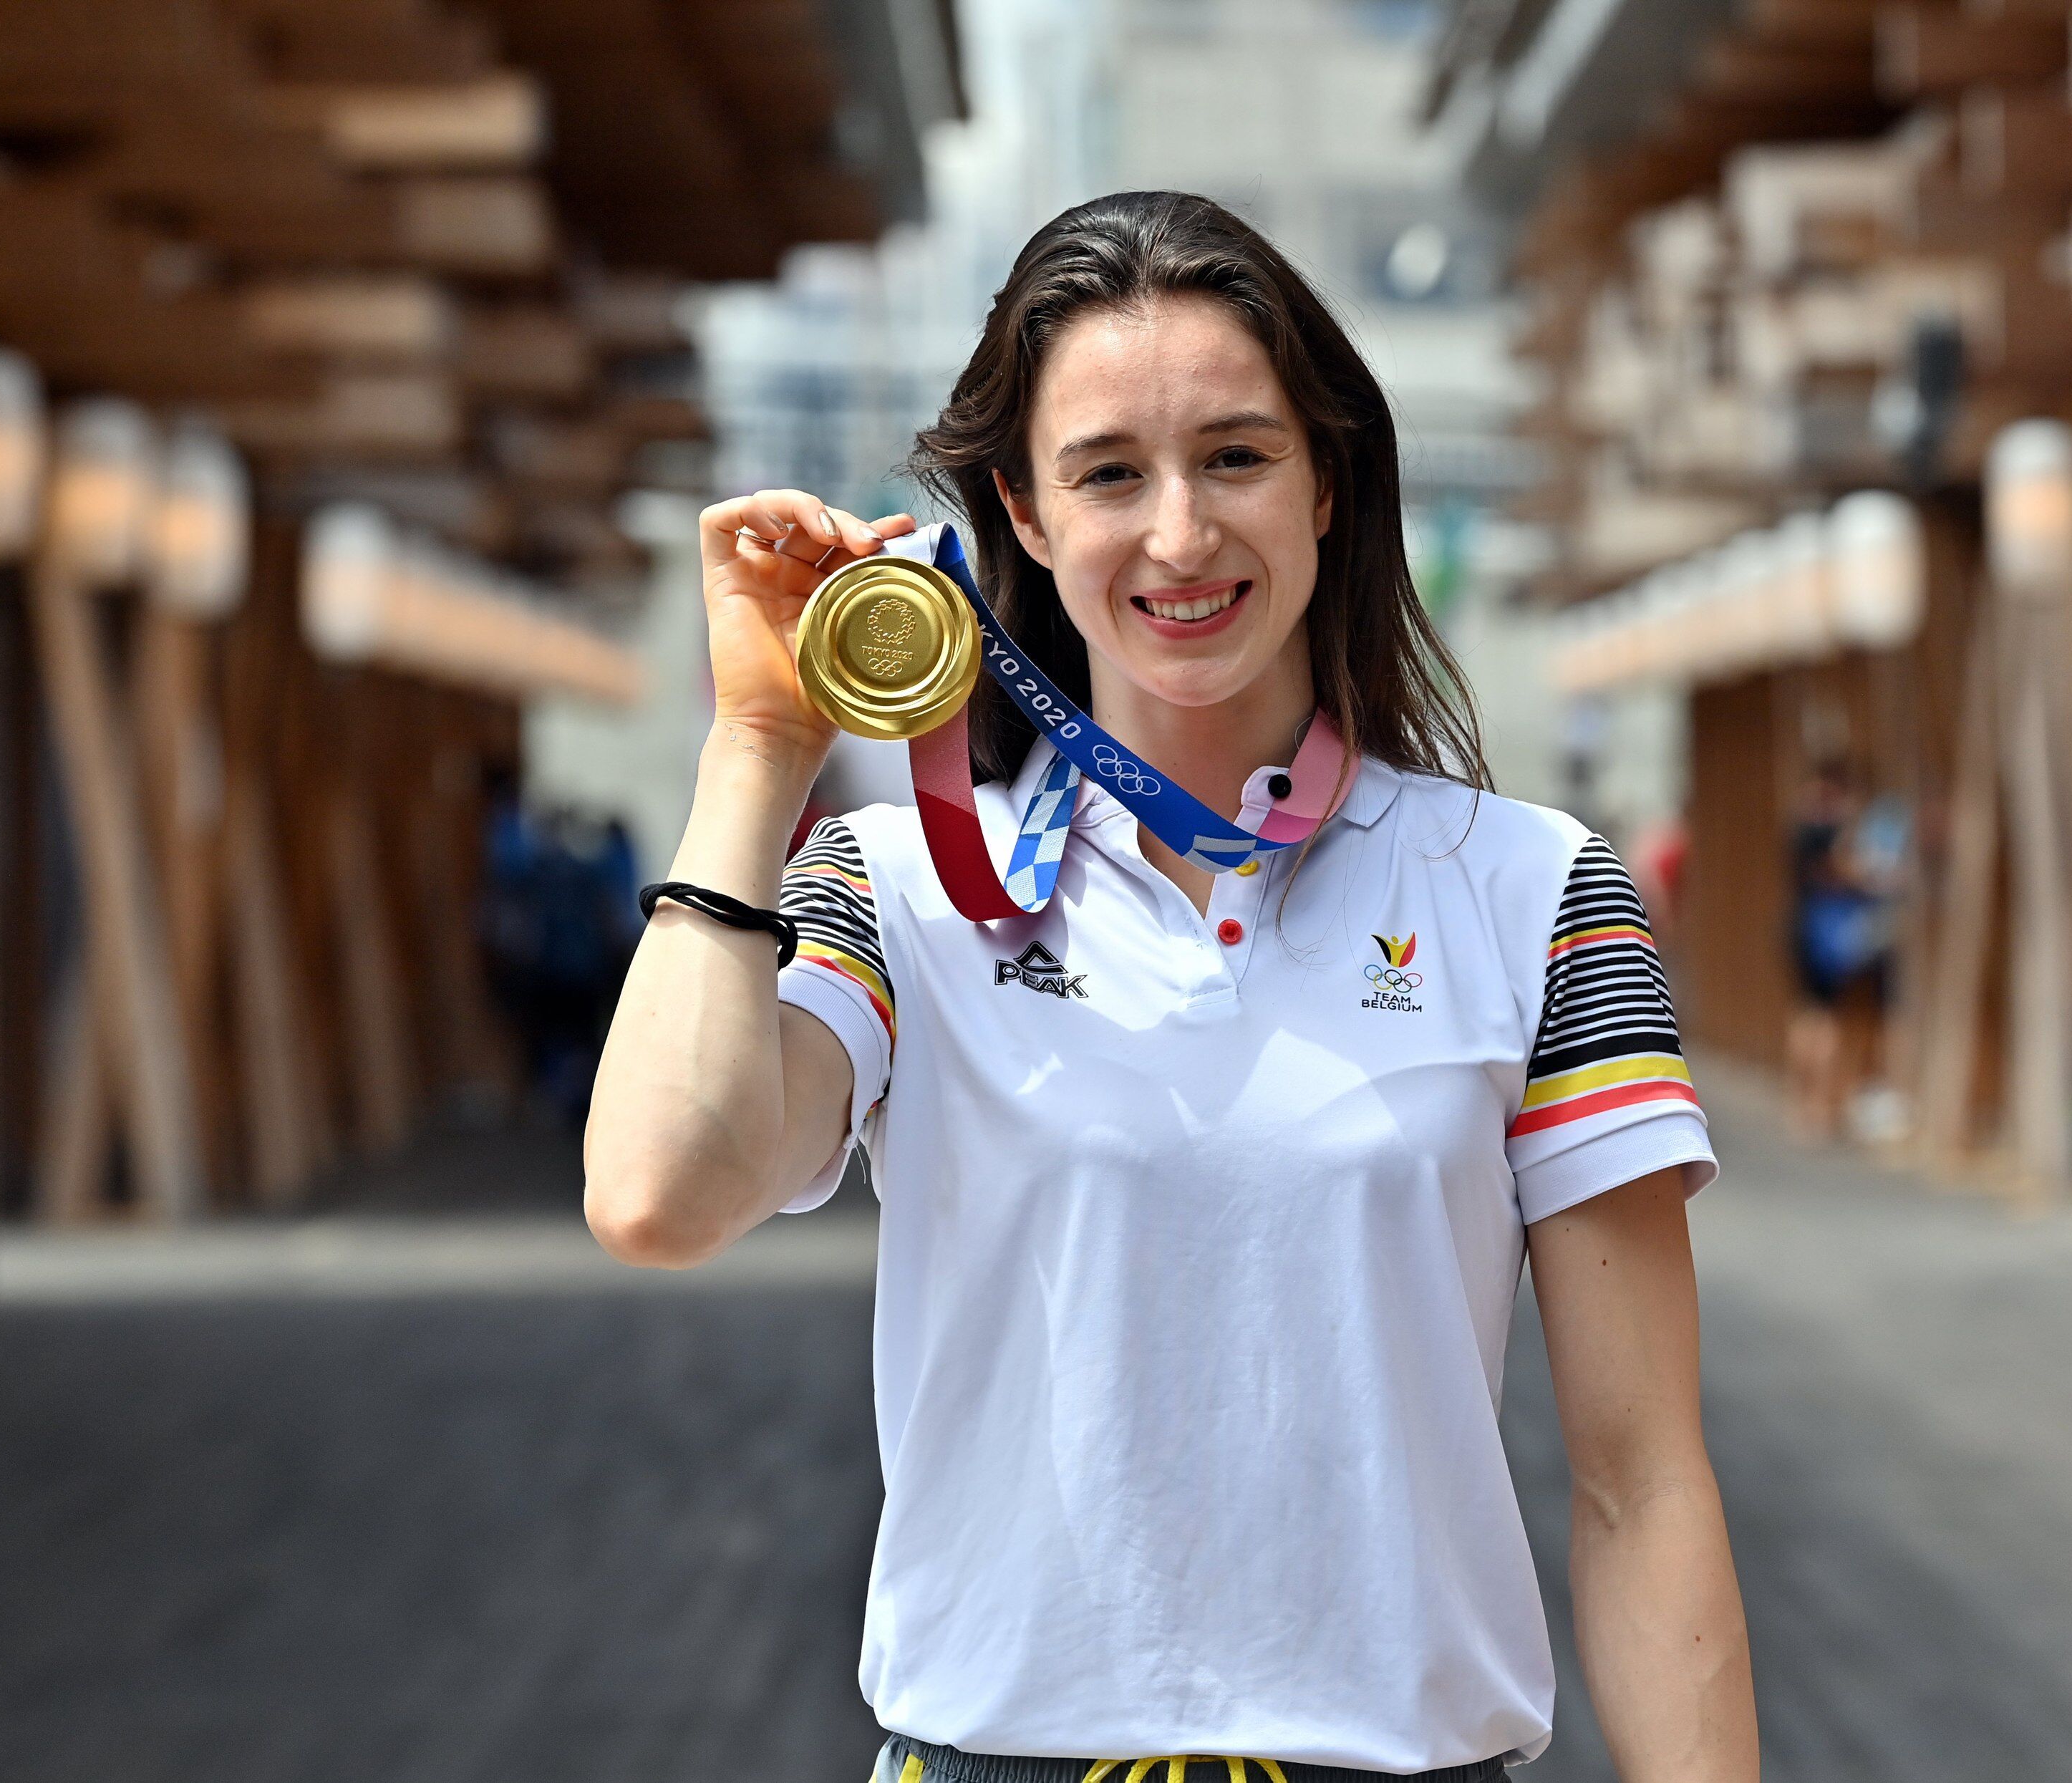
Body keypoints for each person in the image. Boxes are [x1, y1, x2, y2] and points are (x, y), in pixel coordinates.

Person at [583, 192, 1755, 1783]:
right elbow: (659, 1194)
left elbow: (1644, 1485)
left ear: (1328, 479)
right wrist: (756, 748)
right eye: (1110, 474)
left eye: (1236, 456)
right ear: (1024, 511)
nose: (1183, 536)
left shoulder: (1532, 891)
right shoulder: (898, 887)